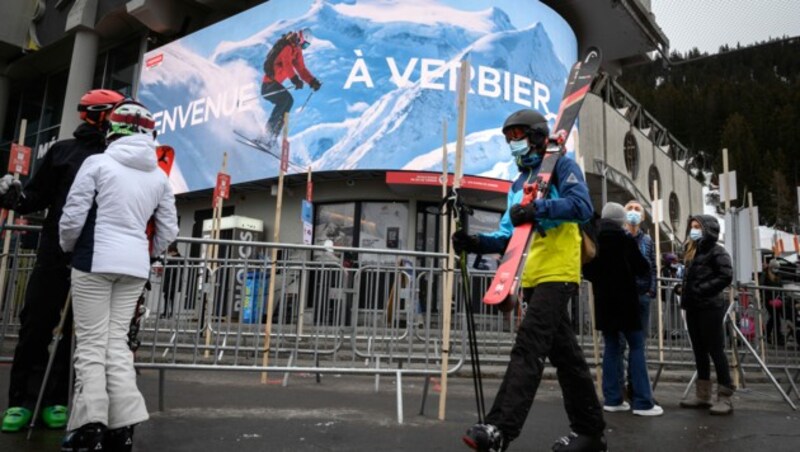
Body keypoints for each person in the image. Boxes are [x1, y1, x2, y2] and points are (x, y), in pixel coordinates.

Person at [453, 109, 606, 452]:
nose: (513, 143)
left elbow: (581, 207)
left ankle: (499, 429)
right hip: (533, 277)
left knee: (529, 346)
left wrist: (540, 210)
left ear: (537, 135)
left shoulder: (562, 168)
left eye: (518, 135)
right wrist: (475, 241)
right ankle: (591, 433)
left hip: (560, 272)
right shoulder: (518, 184)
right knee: (567, 358)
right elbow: (510, 235)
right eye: (508, 138)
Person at [0, 89, 125, 433]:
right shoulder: (63, 151)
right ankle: (22, 402)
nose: (120, 119)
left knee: (79, 333)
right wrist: (14, 195)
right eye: (116, 113)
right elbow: (33, 199)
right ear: (98, 115)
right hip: (54, 251)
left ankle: (57, 399)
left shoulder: (119, 156)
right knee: (36, 324)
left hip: (96, 255)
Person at [58, 100, 179, 450]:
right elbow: (168, 229)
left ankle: (89, 425)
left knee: (92, 344)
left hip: (94, 260)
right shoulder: (158, 175)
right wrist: (149, 253)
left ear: (115, 129)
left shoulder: (97, 162)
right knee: (116, 344)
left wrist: (68, 248)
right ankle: (123, 426)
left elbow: (73, 215)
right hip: (134, 264)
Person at [583, 203, 662, 416]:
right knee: (636, 346)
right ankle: (643, 402)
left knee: (611, 347)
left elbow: (588, 270)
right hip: (627, 302)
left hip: (604, 303)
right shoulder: (625, 240)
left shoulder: (596, 240)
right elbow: (643, 267)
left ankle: (613, 398)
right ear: (621, 220)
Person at [678, 215, 734, 415]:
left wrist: (702, 289)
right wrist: (684, 290)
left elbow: (726, 275)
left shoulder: (717, 251)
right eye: (692, 226)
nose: (693, 230)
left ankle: (725, 396)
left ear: (707, 229)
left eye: (697, 227)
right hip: (693, 307)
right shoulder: (691, 251)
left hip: (710, 307)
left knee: (715, 350)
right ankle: (703, 395)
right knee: (699, 351)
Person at [621, 200, 657, 401]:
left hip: (641, 296)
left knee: (638, 345)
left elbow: (651, 267)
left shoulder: (648, 241)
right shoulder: (619, 237)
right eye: (630, 209)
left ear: (643, 217)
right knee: (619, 344)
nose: (633, 212)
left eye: (637, 210)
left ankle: (635, 386)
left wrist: (650, 291)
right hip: (622, 296)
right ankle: (620, 388)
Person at [260, 28, 322, 143]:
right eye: (305, 45)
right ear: (301, 39)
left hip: (276, 84)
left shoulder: (297, 50)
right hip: (268, 84)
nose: (303, 48)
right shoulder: (287, 47)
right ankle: (267, 134)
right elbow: (287, 64)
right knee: (285, 100)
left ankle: (272, 137)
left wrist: (312, 81)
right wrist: (295, 80)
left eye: (306, 46)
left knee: (288, 102)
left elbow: (301, 69)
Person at [762, 259, 785, 346]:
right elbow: (762, 286)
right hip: (769, 300)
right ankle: (774, 336)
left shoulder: (778, 275)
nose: (776, 269)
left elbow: (780, 286)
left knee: (775, 318)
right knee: (775, 317)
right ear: (770, 267)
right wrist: (769, 299)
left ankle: (770, 335)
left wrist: (780, 298)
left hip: (777, 300)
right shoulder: (765, 274)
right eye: (774, 268)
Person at [161, 243, 182, 318]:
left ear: (173, 252)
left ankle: (168, 313)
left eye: (169, 252)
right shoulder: (178, 259)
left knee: (169, 297)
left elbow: (171, 269)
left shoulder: (175, 259)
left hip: (171, 281)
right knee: (170, 297)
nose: (169, 254)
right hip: (172, 282)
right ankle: (169, 313)